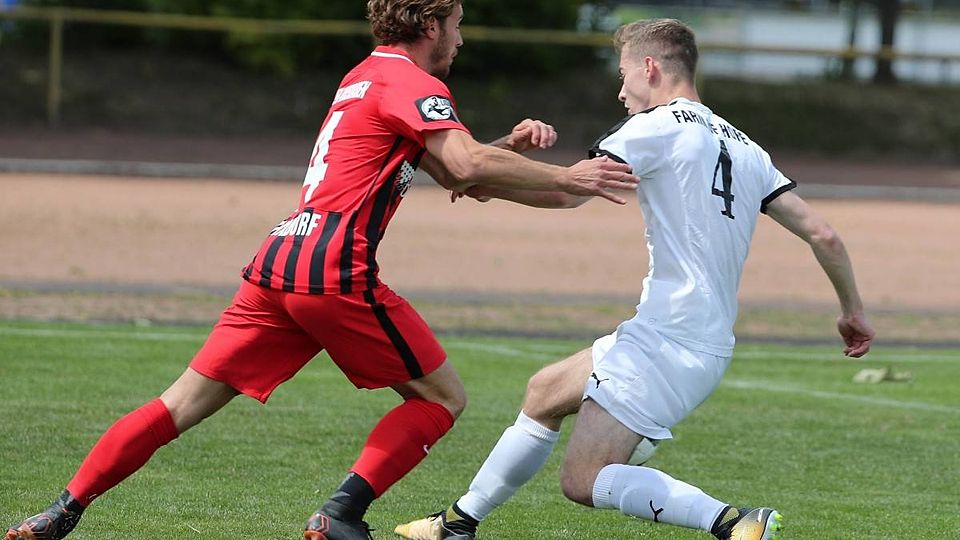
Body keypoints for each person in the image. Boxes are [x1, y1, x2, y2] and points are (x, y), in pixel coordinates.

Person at [3, 2, 640, 540]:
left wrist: (517, 154)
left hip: (280, 258)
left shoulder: (364, 76)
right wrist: (568, 176)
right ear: (429, 24)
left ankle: (61, 511)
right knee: (442, 398)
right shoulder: (412, 82)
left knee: (180, 404)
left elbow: (458, 173)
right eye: (457, 24)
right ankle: (340, 515)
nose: (461, 38)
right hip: (333, 266)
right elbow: (467, 167)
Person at [395, 18, 876, 540]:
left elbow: (566, 193)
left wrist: (487, 183)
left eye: (623, 75)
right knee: (545, 392)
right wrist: (852, 311)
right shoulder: (746, 147)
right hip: (694, 339)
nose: (621, 92)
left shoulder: (653, 127)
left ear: (650, 67)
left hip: (668, 342)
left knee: (583, 480)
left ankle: (734, 521)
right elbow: (824, 234)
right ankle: (457, 524)